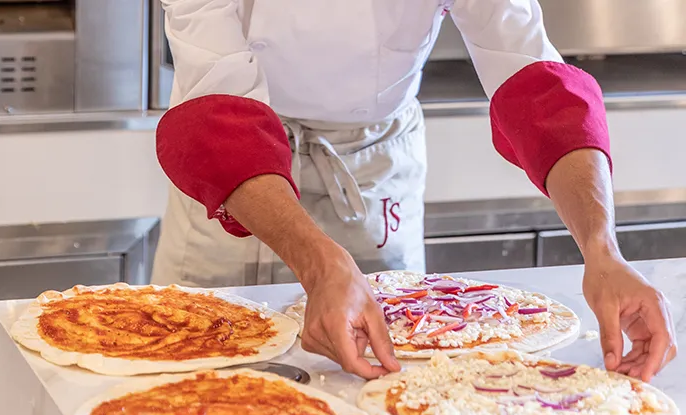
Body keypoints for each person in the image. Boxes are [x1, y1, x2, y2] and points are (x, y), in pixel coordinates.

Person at [152, 0, 677, 381]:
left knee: (392, 376)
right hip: (228, 174)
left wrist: (603, 252)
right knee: (186, 367)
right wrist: (320, 265)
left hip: (371, 164)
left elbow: (538, 87)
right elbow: (217, 111)